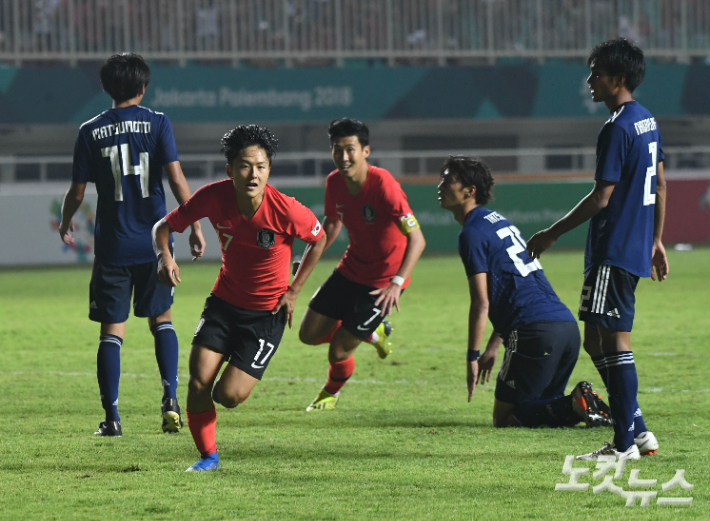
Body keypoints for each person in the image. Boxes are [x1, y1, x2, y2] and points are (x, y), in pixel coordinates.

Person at [152, 125, 327, 472]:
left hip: (266, 315)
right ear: (231, 169)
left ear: (269, 171)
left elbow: (318, 240)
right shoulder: (213, 197)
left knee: (228, 396)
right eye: (246, 166)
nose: (254, 174)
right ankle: (208, 457)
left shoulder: (287, 210)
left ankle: (215, 407)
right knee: (198, 380)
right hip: (223, 303)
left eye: (261, 166)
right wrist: (164, 256)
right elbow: (164, 226)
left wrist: (294, 290)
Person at [527, 38, 668, 460]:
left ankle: (624, 443)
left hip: (615, 249)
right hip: (632, 246)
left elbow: (600, 198)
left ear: (617, 78)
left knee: (615, 342)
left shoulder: (617, 127)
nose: (589, 80)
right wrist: (657, 239)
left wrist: (551, 233)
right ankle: (638, 431)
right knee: (594, 340)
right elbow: (660, 184)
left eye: (595, 73)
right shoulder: (647, 121)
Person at [58, 53, 206, 437]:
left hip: (113, 247)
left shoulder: (89, 130)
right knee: (163, 321)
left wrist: (65, 219)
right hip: (156, 245)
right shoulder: (158, 123)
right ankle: (170, 399)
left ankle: (113, 418)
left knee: (112, 331)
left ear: (106, 87)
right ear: (143, 87)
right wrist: (193, 224)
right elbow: (176, 180)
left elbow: (77, 190)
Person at [438, 156, 612, 429]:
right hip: (565, 330)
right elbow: (514, 287)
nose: (440, 185)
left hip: (534, 334)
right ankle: (581, 405)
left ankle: (575, 402)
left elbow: (481, 302)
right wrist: (494, 346)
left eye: (448, 180)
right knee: (542, 410)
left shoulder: (471, 233)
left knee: (505, 418)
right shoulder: (498, 222)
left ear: (470, 191)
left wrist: (472, 356)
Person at [298, 118, 426, 411]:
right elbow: (331, 224)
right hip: (351, 269)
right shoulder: (333, 182)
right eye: (337, 149)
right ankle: (371, 332)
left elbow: (417, 239)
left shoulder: (384, 185)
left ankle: (330, 393)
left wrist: (396, 282)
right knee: (308, 334)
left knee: (339, 350)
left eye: (350, 149)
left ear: (365, 151)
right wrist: (309, 253)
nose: (344, 157)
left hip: (383, 282)